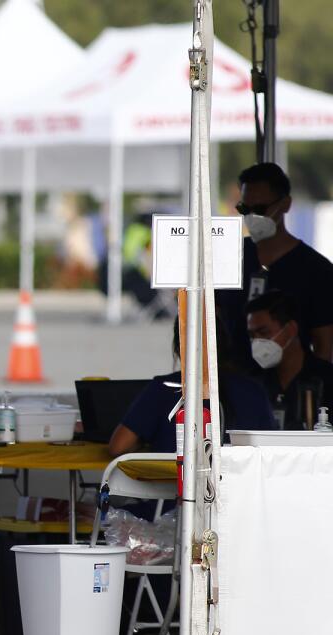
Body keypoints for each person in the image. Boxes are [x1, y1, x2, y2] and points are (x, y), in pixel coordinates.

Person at [216, 162, 333, 366]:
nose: (252, 217)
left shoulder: (316, 270)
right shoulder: (228, 257)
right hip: (231, 385)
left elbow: (324, 344)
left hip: (291, 387)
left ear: (285, 204)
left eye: (260, 208)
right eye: (245, 209)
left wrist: (313, 390)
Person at [109, 316, 275, 458]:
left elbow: (119, 446)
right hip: (236, 492)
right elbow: (270, 451)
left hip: (172, 491)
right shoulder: (253, 391)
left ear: (177, 347)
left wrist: (144, 445)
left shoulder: (164, 388)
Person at [246, 291, 333, 430]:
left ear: (291, 329)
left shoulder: (326, 379)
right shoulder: (253, 384)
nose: (257, 342)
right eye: (252, 336)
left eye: (264, 333)